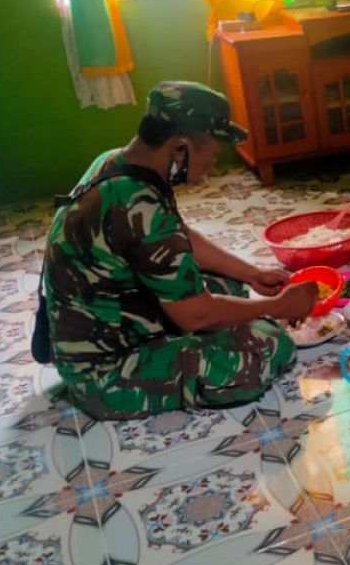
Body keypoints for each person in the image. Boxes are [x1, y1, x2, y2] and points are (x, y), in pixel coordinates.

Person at [38, 81, 317, 419]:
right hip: (103, 374)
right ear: (180, 149)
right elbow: (194, 314)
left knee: (227, 284)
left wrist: (252, 273)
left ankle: (213, 325)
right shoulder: (136, 202)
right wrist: (277, 306)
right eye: (211, 155)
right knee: (269, 346)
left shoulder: (117, 163)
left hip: (108, 319)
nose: (211, 167)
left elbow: (180, 237)